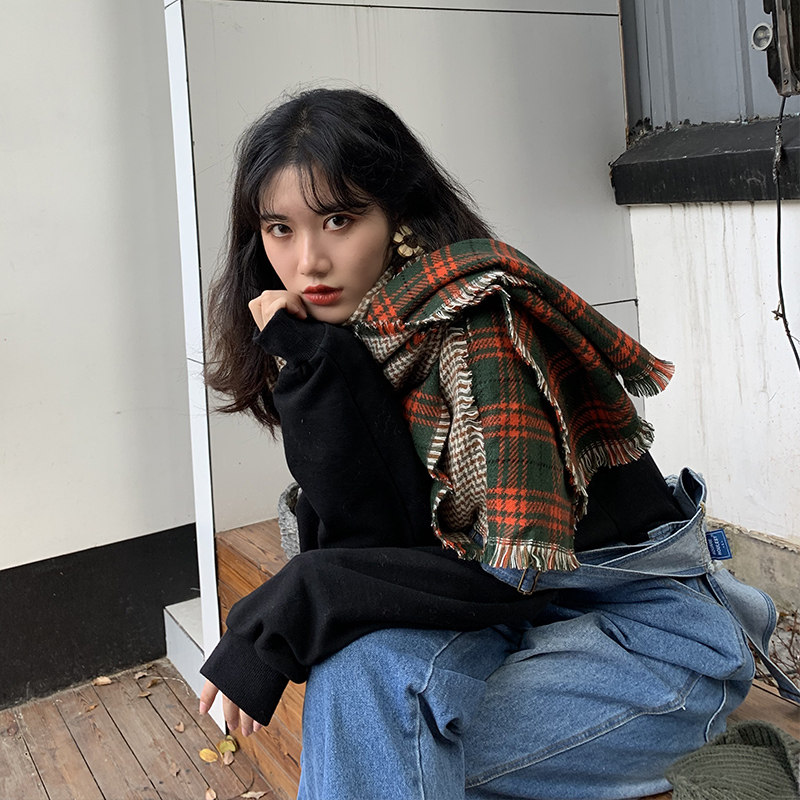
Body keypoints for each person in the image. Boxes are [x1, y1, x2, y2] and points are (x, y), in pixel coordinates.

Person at [197, 88, 798, 800]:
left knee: (376, 731)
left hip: (647, 649)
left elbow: (503, 577)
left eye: (339, 220)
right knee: (362, 682)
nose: (309, 261)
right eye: (280, 229)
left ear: (398, 215)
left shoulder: (480, 331)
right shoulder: (366, 340)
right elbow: (376, 538)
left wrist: (297, 599)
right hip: (523, 628)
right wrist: (320, 365)